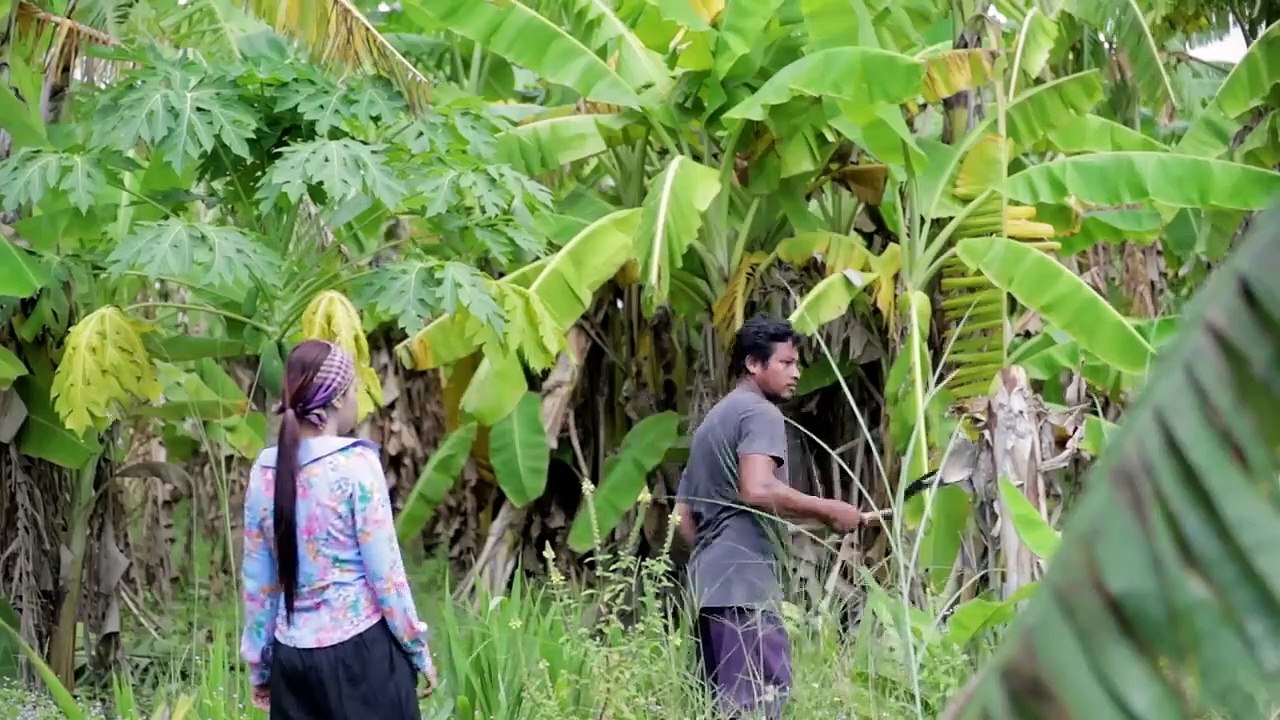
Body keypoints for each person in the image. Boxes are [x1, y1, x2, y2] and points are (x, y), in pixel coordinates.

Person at [674, 316, 872, 719]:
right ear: (753, 363)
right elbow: (758, 489)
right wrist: (829, 509)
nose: (796, 373)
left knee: (719, 709)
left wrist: (717, 554)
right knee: (759, 705)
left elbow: (681, 517)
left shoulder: (712, 422)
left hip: (707, 590)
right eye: (786, 363)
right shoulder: (759, 414)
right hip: (746, 590)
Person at [239, 339, 438, 718]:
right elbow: (386, 575)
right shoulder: (356, 465)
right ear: (336, 400)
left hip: (292, 660)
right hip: (361, 654)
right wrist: (416, 648)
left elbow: (258, 585)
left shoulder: (264, 473)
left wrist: (260, 668)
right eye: (353, 390)